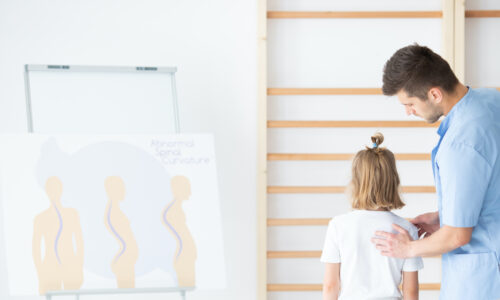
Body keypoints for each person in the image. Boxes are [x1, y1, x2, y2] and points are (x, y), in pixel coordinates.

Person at [371, 44, 500, 299]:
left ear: (434, 94)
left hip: (483, 279)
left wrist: (408, 249)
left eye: (410, 103)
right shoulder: (491, 100)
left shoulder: (460, 144)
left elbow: (456, 236)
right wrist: (445, 216)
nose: (409, 112)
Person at [321, 133, 423, 300]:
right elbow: (411, 291)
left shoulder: (338, 225)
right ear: (393, 182)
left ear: (355, 182)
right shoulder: (407, 230)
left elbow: (331, 285)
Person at [32, 176, 84, 295]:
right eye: (50, 189)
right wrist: (40, 273)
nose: (53, 192)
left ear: (61, 190)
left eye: (56, 189)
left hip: (70, 266)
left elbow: (79, 243)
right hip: (50, 268)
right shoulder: (40, 219)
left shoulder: (72, 214)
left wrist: (79, 267)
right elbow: (36, 249)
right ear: (46, 192)